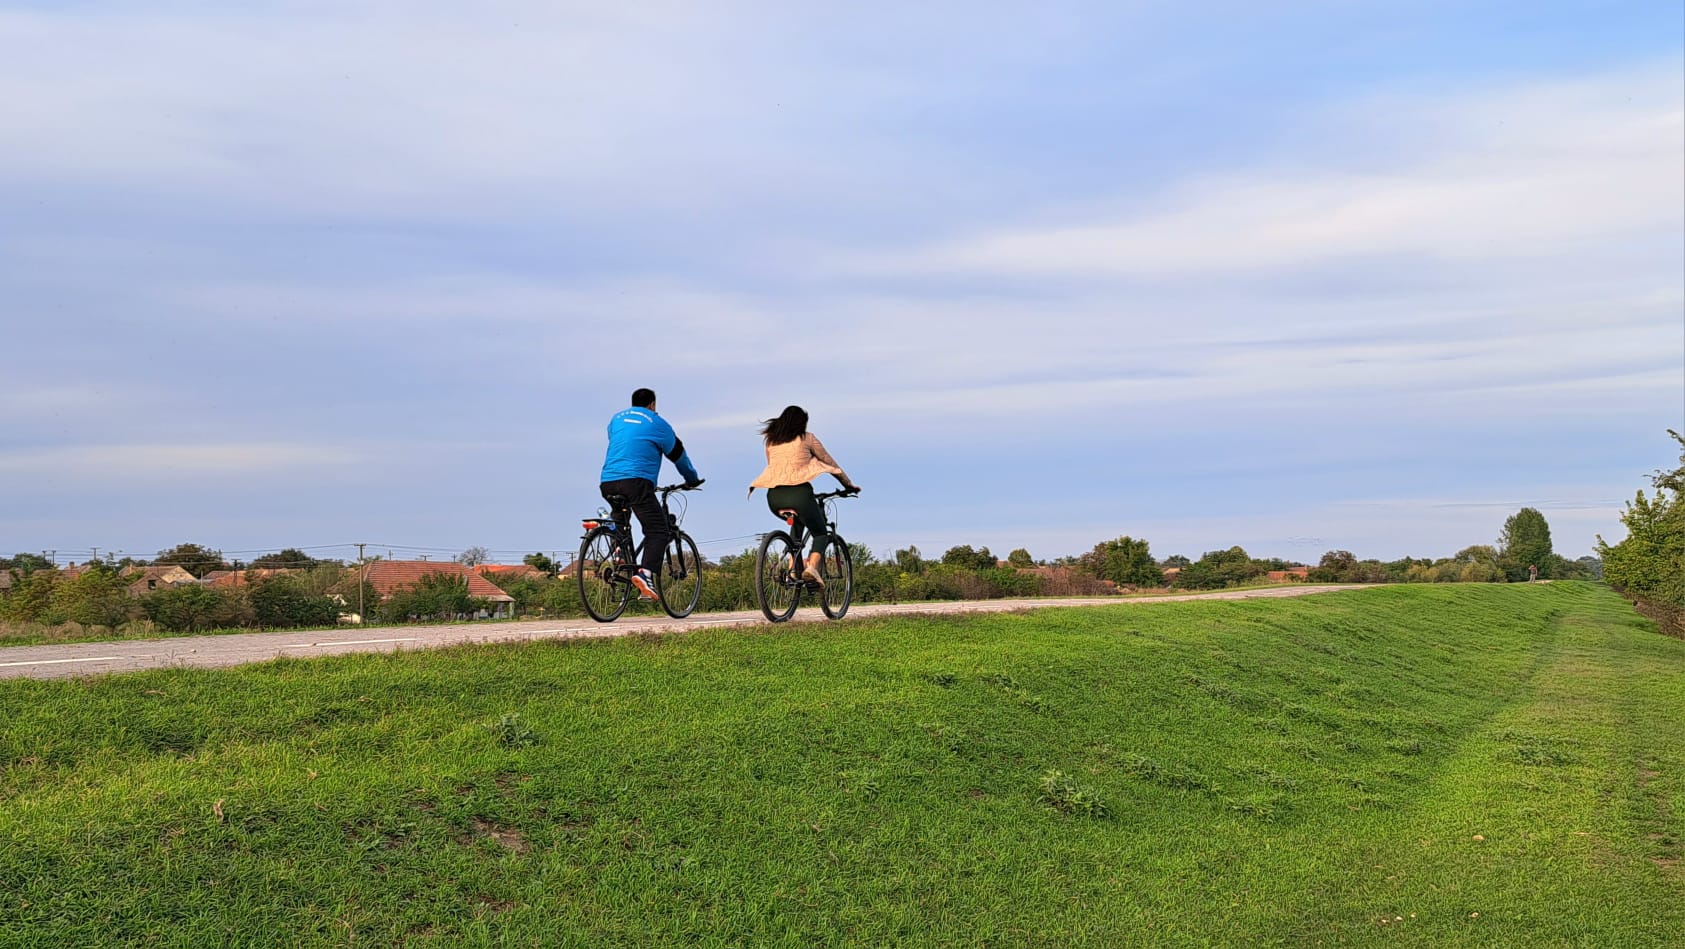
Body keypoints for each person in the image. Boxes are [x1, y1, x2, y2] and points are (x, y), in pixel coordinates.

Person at [600, 388, 703, 600]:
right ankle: (645, 576)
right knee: (658, 530)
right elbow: (678, 455)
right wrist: (691, 479)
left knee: (621, 521)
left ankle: (619, 551)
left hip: (608, 482)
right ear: (653, 404)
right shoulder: (658, 424)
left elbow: (621, 440)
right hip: (636, 482)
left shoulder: (616, 420)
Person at [749, 405, 860, 587]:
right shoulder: (807, 438)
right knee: (821, 532)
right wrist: (848, 485)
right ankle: (812, 569)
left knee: (798, 523)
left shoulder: (771, 441)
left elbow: (774, 468)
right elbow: (829, 462)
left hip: (774, 497)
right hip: (799, 494)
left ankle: (793, 570)